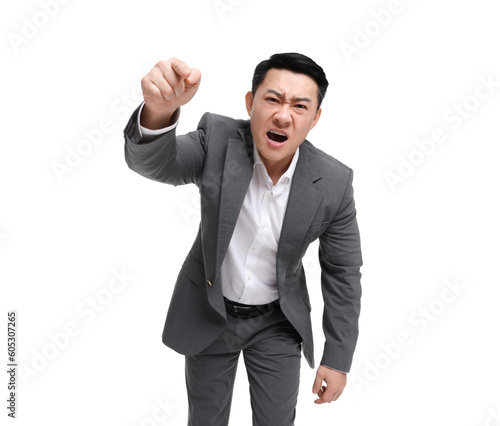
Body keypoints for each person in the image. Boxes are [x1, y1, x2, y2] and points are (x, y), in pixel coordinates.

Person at [124, 52, 362, 426]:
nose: (284, 115)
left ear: (315, 118)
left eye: (300, 106)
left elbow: (344, 273)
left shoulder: (334, 183)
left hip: (277, 323)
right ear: (250, 103)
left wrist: (337, 358)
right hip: (211, 314)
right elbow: (159, 163)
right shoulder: (217, 140)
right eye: (272, 99)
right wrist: (157, 113)